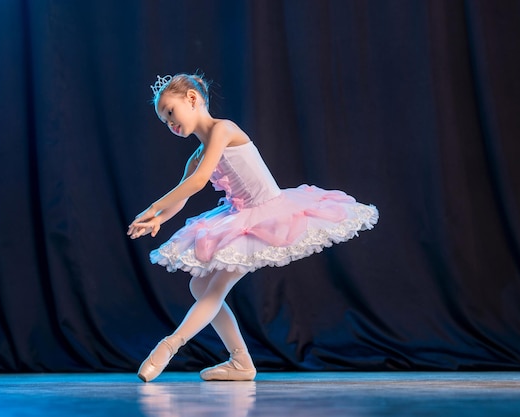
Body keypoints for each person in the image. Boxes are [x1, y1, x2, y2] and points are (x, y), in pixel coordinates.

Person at [128, 73, 378, 382]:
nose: (170, 123)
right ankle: (241, 363)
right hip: (240, 217)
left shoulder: (224, 129)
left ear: (192, 99)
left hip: (267, 215)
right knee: (198, 286)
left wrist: (153, 205)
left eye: (170, 112)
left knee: (214, 289)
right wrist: (159, 218)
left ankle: (168, 347)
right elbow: (184, 192)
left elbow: (199, 180)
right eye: (164, 120)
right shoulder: (196, 154)